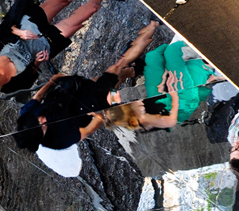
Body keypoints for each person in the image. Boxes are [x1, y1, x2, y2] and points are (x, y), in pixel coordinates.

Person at [0, 0, 117, 102]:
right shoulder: (11, 86)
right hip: (45, 45)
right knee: (85, 14)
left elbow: (6, 27)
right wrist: (38, 62)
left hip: (29, 25)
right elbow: (31, 76)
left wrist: (20, 32)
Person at [13, 21, 161, 151]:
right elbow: (87, 131)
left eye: (37, 120)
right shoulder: (58, 141)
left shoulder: (26, 114)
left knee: (110, 77)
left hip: (71, 93)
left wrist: (53, 80)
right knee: (116, 69)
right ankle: (153, 27)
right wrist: (101, 115)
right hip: (89, 107)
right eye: (41, 126)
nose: (42, 120)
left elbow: (38, 96)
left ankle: (133, 69)